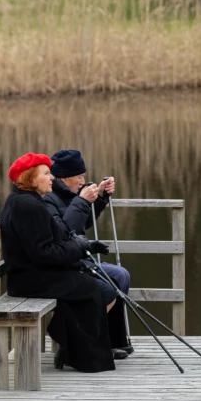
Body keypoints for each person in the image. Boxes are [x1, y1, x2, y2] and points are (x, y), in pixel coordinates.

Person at [0, 153, 128, 372]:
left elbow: (59, 235)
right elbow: (44, 252)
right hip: (30, 278)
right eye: (47, 173)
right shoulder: (28, 206)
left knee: (91, 285)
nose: (52, 177)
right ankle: (75, 348)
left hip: (35, 273)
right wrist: (77, 248)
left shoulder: (29, 201)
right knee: (92, 288)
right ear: (31, 178)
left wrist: (83, 245)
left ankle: (77, 349)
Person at [43, 149, 133, 357]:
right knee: (107, 287)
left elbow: (83, 223)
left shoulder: (69, 193)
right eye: (79, 177)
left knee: (120, 275)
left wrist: (100, 198)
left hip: (77, 258)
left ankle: (108, 340)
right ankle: (78, 344)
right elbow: (65, 231)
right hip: (64, 265)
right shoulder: (49, 199)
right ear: (64, 178)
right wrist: (82, 201)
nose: (83, 181)